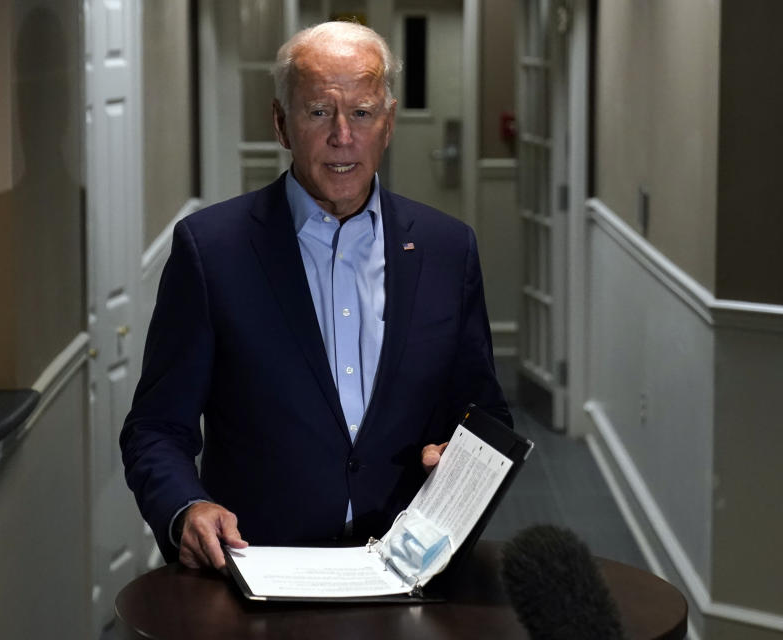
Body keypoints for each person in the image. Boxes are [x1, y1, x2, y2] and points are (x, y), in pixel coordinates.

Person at [120, 21, 511, 570]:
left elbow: (484, 413)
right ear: (282, 123)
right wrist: (187, 508)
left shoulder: (449, 250)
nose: (343, 137)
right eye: (319, 112)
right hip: (258, 570)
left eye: (363, 112)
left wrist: (462, 460)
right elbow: (156, 426)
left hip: (408, 571)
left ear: (389, 123)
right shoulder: (211, 252)